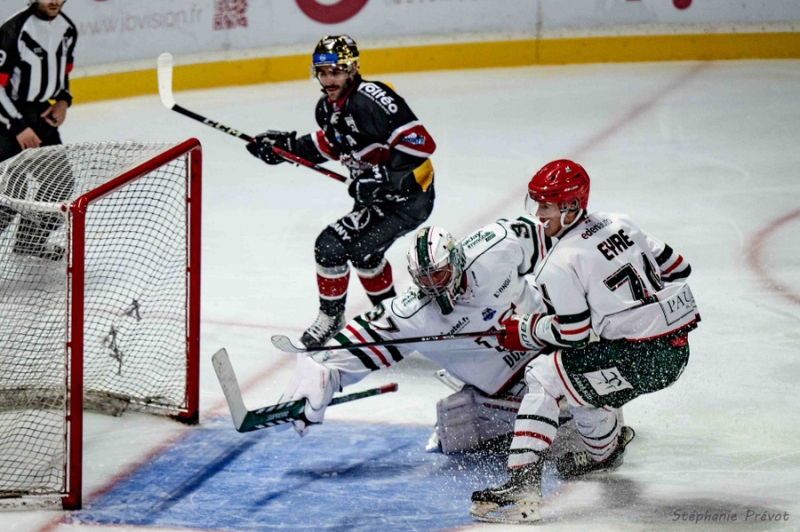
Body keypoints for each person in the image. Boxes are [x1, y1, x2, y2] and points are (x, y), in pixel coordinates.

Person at [469, 160, 700, 524]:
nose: (538, 214)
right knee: (581, 383)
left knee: (545, 374)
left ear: (572, 206)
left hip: (638, 358)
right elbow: (679, 268)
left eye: (546, 205)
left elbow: (574, 334)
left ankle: (521, 483)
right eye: (537, 204)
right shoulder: (620, 221)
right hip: (676, 350)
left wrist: (526, 329)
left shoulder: (561, 261)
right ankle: (604, 454)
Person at [279, 216, 555, 455]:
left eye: (438, 273)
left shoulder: (497, 245)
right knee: (456, 429)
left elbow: (556, 245)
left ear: (457, 260)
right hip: (503, 387)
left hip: (555, 345)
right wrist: (326, 369)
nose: (432, 285)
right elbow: (368, 335)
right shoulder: (412, 313)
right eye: (424, 278)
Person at [246, 35, 436, 348]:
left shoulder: (372, 98)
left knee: (330, 245)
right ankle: (390, 317)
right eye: (322, 72)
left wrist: (379, 176)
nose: (328, 79)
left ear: (352, 68)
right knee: (362, 253)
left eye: (336, 71)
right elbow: (333, 145)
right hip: (379, 200)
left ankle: (334, 317)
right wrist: (286, 149)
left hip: (407, 198)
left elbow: (421, 143)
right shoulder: (326, 107)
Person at [0, 0, 77, 261]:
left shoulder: (67, 29)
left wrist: (64, 100)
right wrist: (18, 126)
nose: (53, 1)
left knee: (60, 183)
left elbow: (62, 74)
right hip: (8, 118)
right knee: (9, 193)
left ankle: (30, 242)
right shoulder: (13, 30)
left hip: (42, 115)